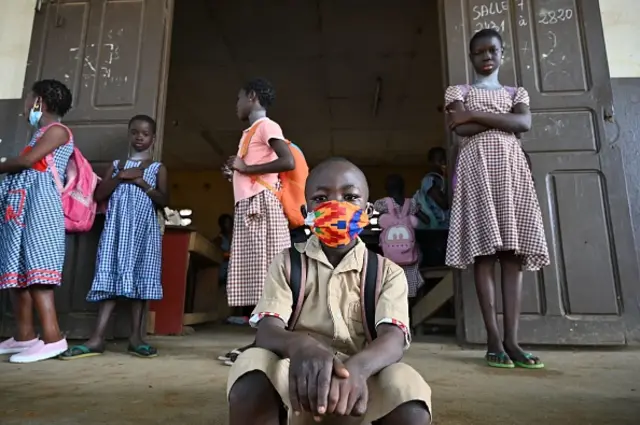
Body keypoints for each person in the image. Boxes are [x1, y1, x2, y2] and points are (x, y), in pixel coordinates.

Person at [227, 157, 431, 425]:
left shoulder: (387, 272)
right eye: (321, 199)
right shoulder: (287, 263)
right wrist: (301, 346)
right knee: (252, 364)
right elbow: (267, 328)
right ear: (306, 211)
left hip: (361, 382)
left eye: (350, 196)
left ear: (367, 211)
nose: (336, 206)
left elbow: (393, 339)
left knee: (406, 388)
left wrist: (358, 369)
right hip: (296, 378)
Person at [444, 28, 549, 369]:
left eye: (492, 50)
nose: (486, 56)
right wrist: (504, 123)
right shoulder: (457, 90)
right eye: (479, 52)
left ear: (502, 54)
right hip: (477, 171)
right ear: (472, 57)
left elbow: (524, 123)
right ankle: (492, 340)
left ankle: (512, 340)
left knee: (513, 256)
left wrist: (474, 115)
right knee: (485, 254)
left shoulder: (517, 91)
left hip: (512, 173)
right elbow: (460, 129)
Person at [60, 114, 168, 360]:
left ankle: (136, 338)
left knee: (140, 282)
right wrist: (121, 177)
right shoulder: (117, 165)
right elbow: (98, 196)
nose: (139, 137)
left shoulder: (157, 168)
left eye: (145, 133)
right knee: (108, 280)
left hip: (143, 233)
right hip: (116, 231)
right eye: (135, 132)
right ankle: (97, 338)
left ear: (153, 138)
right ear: (129, 134)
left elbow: (164, 200)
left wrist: (141, 183)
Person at [219, 78, 294, 366]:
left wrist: (248, 168)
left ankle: (266, 343)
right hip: (251, 206)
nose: (236, 105)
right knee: (258, 278)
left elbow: (287, 161)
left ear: (252, 97)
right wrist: (237, 173)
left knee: (268, 276)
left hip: (261, 207)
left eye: (239, 98)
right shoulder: (251, 132)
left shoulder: (267, 126)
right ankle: (262, 341)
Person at [0, 79, 73, 363]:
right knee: (19, 276)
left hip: (40, 209)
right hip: (21, 210)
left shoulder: (57, 131)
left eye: (29, 99)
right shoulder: (39, 133)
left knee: (38, 274)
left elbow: (27, 162)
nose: (26, 105)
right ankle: (25, 336)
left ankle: (54, 339)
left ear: (39, 102)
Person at [374, 174, 429, 299]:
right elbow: (426, 220)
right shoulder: (412, 203)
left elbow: (373, 220)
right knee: (414, 265)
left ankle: (393, 295)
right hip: (410, 254)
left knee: (389, 274)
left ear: (386, 189)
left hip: (390, 256)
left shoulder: (383, 204)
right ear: (403, 188)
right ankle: (412, 297)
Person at [414, 147, 449, 230]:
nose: (443, 163)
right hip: (437, 227)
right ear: (431, 163)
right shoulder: (430, 180)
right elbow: (443, 203)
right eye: (440, 161)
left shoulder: (442, 179)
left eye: (445, 160)